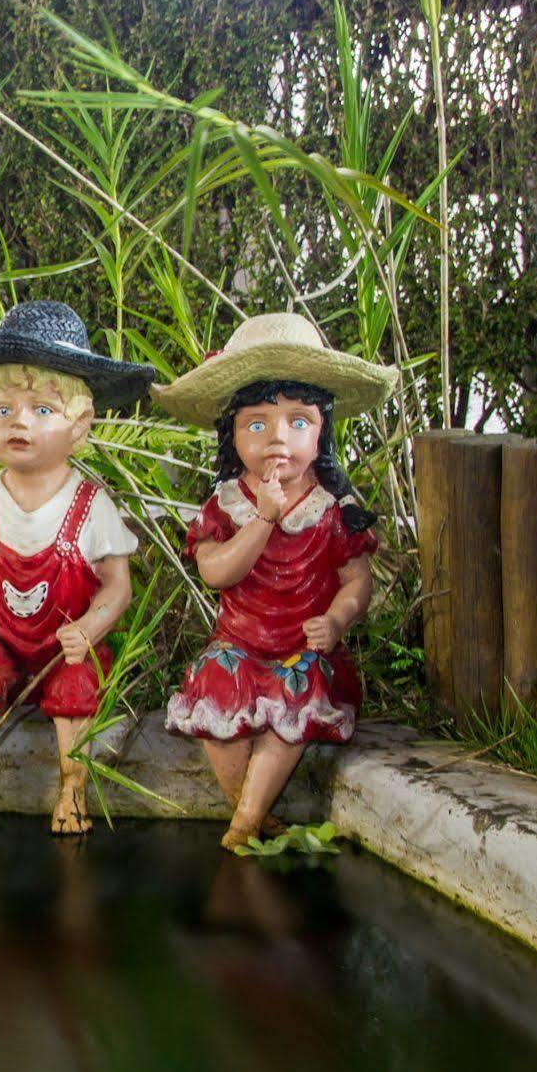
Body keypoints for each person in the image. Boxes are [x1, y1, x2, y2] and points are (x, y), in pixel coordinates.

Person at [152, 312, 400, 850]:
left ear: (322, 431)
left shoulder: (333, 510)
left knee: (296, 694)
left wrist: (336, 618)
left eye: (298, 421)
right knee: (215, 693)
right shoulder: (226, 504)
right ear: (232, 434)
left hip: (304, 653)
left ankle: (243, 825)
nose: (278, 439)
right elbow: (217, 572)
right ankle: (252, 813)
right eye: (258, 424)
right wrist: (262, 519)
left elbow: (356, 580)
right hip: (238, 649)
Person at [0, 301, 155, 832]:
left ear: (79, 424)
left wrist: (92, 628)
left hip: (65, 646)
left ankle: (73, 792)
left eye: (42, 410)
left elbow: (118, 584)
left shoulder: (91, 506)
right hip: (0, 642)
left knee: (75, 688)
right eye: (3, 410)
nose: (18, 421)